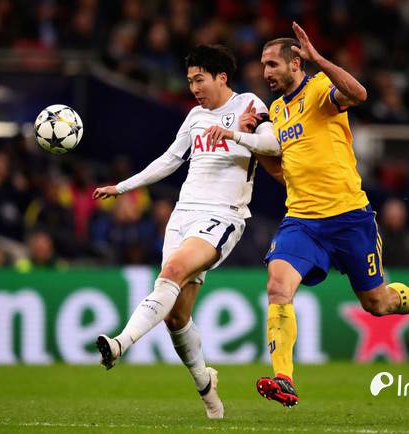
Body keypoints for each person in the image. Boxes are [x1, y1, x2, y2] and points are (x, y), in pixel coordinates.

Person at [236, 23, 409, 408]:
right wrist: (256, 146)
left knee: (377, 303)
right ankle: (284, 378)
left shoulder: (319, 89)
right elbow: (283, 173)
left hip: (350, 218)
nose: (265, 72)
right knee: (278, 287)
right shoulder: (277, 112)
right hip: (302, 221)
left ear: (295, 63)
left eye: (271, 64)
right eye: (263, 65)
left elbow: (359, 94)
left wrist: (319, 59)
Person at [92, 44, 280, 419]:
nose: (193, 88)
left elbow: (274, 145)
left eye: (199, 79)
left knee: (172, 271)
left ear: (221, 77)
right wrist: (123, 187)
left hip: (223, 216)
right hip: (182, 216)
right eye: (190, 80)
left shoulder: (248, 104)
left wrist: (237, 135)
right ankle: (208, 389)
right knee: (176, 318)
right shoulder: (195, 116)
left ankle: (119, 344)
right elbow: (170, 159)